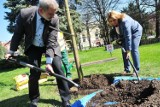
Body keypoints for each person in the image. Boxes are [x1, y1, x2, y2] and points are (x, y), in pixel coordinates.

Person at [4, 0, 71, 107]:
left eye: (54, 13)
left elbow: (51, 42)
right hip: (34, 46)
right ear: (41, 10)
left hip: (50, 45)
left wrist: (49, 62)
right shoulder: (25, 14)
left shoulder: (54, 19)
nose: (53, 16)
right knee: (34, 72)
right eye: (50, 13)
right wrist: (11, 51)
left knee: (58, 68)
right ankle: (34, 100)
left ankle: (66, 99)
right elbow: (17, 34)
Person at [107, 10, 143, 75]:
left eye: (114, 20)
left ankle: (136, 70)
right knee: (124, 50)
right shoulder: (115, 23)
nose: (113, 22)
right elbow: (120, 32)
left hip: (136, 31)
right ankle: (127, 69)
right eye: (111, 21)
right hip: (126, 35)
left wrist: (128, 51)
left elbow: (128, 36)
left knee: (133, 49)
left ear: (117, 17)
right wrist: (119, 39)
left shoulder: (125, 21)